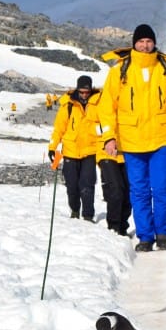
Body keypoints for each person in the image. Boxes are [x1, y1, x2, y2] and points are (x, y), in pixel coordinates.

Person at [98, 24, 166, 252]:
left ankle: (162, 233)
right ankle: (145, 236)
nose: (145, 45)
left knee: (161, 187)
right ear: (134, 43)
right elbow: (106, 106)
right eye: (141, 41)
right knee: (138, 190)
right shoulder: (119, 70)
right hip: (131, 140)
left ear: (154, 43)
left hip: (161, 138)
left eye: (149, 41)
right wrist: (109, 137)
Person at [48, 76, 98, 222]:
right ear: (77, 90)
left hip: (90, 151)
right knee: (72, 186)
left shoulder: (97, 104)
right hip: (70, 151)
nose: (84, 95)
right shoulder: (68, 106)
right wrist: (52, 147)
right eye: (81, 92)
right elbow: (58, 129)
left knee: (87, 185)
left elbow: (104, 124)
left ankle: (88, 215)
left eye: (86, 92)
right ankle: (75, 210)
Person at [87, 95, 132, 236]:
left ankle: (123, 226)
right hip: (105, 152)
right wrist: (108, 131)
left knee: (128, 192)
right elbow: (89, 127)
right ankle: (114, 227)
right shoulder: (96, 102)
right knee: (115, 189)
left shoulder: (130, 94)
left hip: (126, 151)